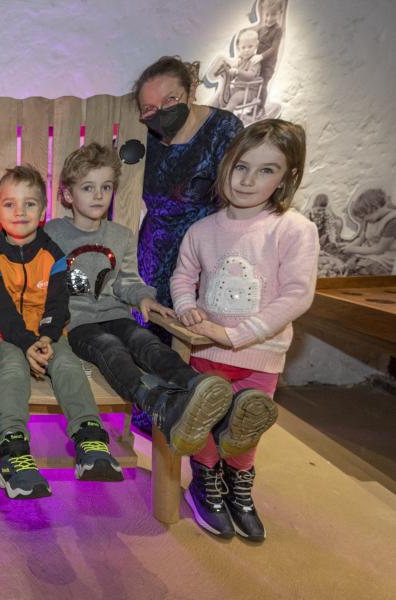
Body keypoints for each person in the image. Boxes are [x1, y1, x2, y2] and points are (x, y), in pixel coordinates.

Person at [170, 119, 320, 541]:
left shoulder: (293, 230)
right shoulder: (202, 230)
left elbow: (296, 295)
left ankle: (239, 486)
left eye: (266, 170)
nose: (249, 179)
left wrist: (237, 335)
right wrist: (186, 309)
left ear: (286, 177)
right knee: (204, 416)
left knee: (247, 423)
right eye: (241, 166)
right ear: (226, 165)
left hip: (260, 353)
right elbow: (183, 277)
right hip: (206, 353)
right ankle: (206, 482)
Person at [44, 142, 237, 456]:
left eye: (105, 187)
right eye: (88, 187)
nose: (97, 195)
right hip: (78, 324)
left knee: (144, 341)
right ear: (68, 194)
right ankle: (157, 401)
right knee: (111, 348)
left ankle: (196, 388)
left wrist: (143, 299)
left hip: (116, 315)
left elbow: (127, 281)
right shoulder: (53, 232)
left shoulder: (120, 235)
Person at [0, 164, 123, 500]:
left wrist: (46, 336)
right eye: (9, 204)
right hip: (11, 335)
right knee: (12, 371)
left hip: (49, 332)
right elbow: (1, 308)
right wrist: (28, 343)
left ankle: (90, 439)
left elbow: (59, 303)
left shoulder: (54, 255)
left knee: (68, 366)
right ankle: (14, 450)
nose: (19, 212)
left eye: (29, 204)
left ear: (42, 212)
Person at [132, 55, 244, 433]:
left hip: (206, 242)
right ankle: (152, 410)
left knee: (201, 324)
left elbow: (238, 190)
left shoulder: (222, 129)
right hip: (155, 241)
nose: (160, 112)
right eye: (149, 107)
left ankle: (205, 408)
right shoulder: (143, 139)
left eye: (170, 100)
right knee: (153, 323)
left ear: (190, 91)